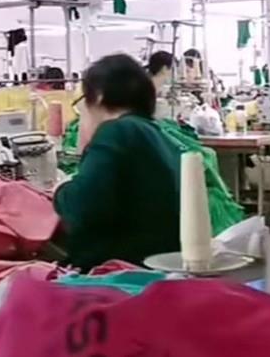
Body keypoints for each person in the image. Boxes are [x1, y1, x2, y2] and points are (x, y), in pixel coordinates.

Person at [53, 53, 181, 270]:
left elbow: (82, 208)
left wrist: (60, 191)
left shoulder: (116, 132)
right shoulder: (158, 135)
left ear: (98, 96)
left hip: (123, 269)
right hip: (159, 264)